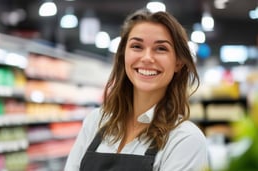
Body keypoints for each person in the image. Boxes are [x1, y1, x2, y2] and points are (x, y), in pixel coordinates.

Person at [64, 8, 208, 171]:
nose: (147, 57)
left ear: (178, 63)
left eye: (161, 48)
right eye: (137, 46)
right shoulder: (95, 122)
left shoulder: (185, 140)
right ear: (123, 55)